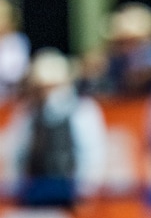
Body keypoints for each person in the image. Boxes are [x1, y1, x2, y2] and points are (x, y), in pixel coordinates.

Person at [4, 48, 107, 207]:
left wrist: (84, 191)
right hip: (33, 195)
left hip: (71, 195)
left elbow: (92, 153)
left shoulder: (83, 110)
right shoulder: (26, 114)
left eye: (52, 86)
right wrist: (18, 191)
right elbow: (15, 155)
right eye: (41, 88)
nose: (46, 93)